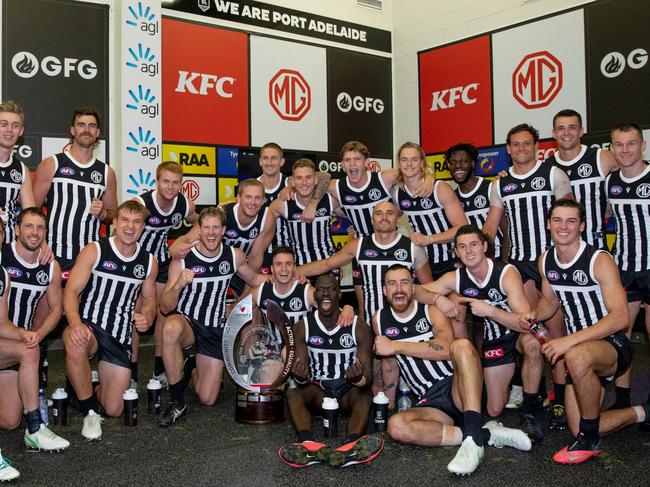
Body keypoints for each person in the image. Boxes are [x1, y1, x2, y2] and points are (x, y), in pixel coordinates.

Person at [522, 199, 648, 464]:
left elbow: (620, 317)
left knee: (576, 356)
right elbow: (551, 301)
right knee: (580, 424)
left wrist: (568, 341)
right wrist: (536, 313)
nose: (563, 226)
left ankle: (589, 441)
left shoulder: (598, 260)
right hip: (581, 351)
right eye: (557, 220)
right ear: (548, 224)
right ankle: (643, 411)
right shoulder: (546, 260)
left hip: (612, 344)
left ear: (581, 225)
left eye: (571, 221)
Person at [374, 264, 531, 476]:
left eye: (404, 282)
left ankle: (473, 441)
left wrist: (396, 345)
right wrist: (390, 400)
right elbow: (390, 363)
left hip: (458, 386)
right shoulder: (379, 319)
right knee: (397, 426)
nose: (398, 288)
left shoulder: (431, 311)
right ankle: (481, 434)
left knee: (462, 345)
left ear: (413, 288)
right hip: (431, 401)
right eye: (392, 283)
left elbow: (446, 349)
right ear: (384, 290)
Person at [296, 200, 433, 406]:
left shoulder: (413, 248)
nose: (384, 217)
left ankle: (400, 401)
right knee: (374, 389)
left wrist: (442, 301)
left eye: (389, 213)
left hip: (405, 324)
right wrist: (293, 273)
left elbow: (428, 287)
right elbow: (326, 264)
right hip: (372, 323)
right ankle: (387, 406)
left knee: (398, 379)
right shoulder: (359, 245)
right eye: (379, 213)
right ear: (372, 219)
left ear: (398, 218)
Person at [420, 225, 545, 441]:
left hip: (517, 332)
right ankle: (514, 380)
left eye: (474, 244)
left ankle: (531, 412)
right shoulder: (456, 278)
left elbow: (526, 322)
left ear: (485, 246)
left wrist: (490, 311)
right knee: (495, 409)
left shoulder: (506, 273)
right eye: (462, 247)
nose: (469, 251)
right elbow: (418, 291)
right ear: (457, 252)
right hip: (496, 339)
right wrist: (438, 298)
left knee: (532, 344)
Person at [158, 207, 268, 427]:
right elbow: (164, 306)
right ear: (199, 230)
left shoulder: (233, 255)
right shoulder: (183, 259)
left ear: (223, 230)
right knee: (170, 328)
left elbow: (255, 279)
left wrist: (289, 278)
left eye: (215, 228)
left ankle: (192, 366)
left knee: (207, 398)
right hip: (188, 323)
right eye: (206, 227)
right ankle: (177, 401)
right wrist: (178, 284)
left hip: (214, 328)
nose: (210, 233)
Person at [63, 201, 158, 440]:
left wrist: (147, 316)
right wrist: (75, 324)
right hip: (91, 327)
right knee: (76, 342)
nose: (130, 226)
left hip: (119, 335)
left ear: (143, 227)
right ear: (114, 223)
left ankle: (82, 387)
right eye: (124, 220)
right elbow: (71, 292)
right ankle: (90, 412)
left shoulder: (148, 261)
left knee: (115, 409)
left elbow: (149, 301)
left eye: (137, 222)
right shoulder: (95, 250)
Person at [279, 275, 382, 468]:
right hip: (319, 389)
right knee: (293, 391)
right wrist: (301, 378)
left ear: (340, 294)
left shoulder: (358, 327)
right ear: (315, 295)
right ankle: (309, 445)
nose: (326, 293)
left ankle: (351, 446)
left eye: (331, 289)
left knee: (365, 395)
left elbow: (367, 379)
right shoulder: (303, 327)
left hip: (347, 389)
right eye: (321, 290)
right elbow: (304, 375)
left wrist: (358, 379)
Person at [133, 160, 198, 388]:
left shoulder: (183, 203)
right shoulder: (141, 203)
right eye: (166, 182)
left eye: (175, 183)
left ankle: (159, 370)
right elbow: (122, 229)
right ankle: (131, 373)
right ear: (157, 182)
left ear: (180, 184)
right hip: (137, 263)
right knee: (135, 316)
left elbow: (196, 220)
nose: (170, 187)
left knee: (162, 314)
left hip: (161, 262)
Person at [33, 107, 118, 276]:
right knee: (53, 303)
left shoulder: (106, 172)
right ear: (72, 130)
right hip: (51, 253)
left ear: (98, 132)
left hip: (89, 257)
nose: (86, 130)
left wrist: (102, 213)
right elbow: (32, 208)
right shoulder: (52, 164)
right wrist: (41, 244)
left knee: (80, 303)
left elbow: (113, 215)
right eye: (81, 125)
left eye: (92, 126)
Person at [0, 208, 63, 427]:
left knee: (9, 421)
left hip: (16, 345)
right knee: (29, 350)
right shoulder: (2, 255)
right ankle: (36, 428)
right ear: (16, 230)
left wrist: (37, 335)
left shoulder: (51, 266)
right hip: (7, 339)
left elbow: (56, 309)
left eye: (40, 227)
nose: (34, 232)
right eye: (28, 226)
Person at [0, 263, 69, 451]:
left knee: (10, 420)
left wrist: (22, 333)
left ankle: (34, 429)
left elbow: (1, 323)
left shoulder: (2, 274)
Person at [605, 122, 650, 411]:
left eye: (631, 143)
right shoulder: (610, 181)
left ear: (642, 145)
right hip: (624, 267)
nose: (625, 150)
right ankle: (622, 401)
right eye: (619, 145)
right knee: (621, 338)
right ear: (611, 148)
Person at [392, 142, 467, 280]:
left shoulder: (440, 188)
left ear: (422, 163)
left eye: (414, 159)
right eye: (404, 160)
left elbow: (463, 228)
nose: (409, 164)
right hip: (421, 263)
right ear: (399, 164)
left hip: (449, 260)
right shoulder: (398, 193)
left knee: (452, 302)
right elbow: (389, 221)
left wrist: (429, 239)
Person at [269, 159, 339, 269]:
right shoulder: (283, 204)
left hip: (328, 265)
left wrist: (354, 229)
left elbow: (353, 212)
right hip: (299, 268)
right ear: (292, 181)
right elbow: (260, 220)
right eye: (299, 178)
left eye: (308, 177)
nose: (304, 183)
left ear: (316, 179)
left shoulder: (329, 200)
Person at [447, 143, 504, 259]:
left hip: (496, 258)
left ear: (472, 163)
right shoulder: (451, 197)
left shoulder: (491, 187)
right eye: (453, 162)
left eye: (463, 161)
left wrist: (505, 262)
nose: (457, 166)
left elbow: (506, 230)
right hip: (469, 262)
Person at [0, 100, 35, 244]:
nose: (9, 130)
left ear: (21, 131)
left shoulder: (21, 170)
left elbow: (31, 215)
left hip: (9, 249)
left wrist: (43, 244)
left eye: (15, 125)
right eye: (3, 124)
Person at [257, 142, 292, 266]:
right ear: (260, 161)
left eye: (274, 158)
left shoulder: (291, 183)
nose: (269, 162)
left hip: (289, 251)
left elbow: (321, 177)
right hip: (260, 252)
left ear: (281, 162)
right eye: (265, 158)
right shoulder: (252, 187)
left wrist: (292, 187)